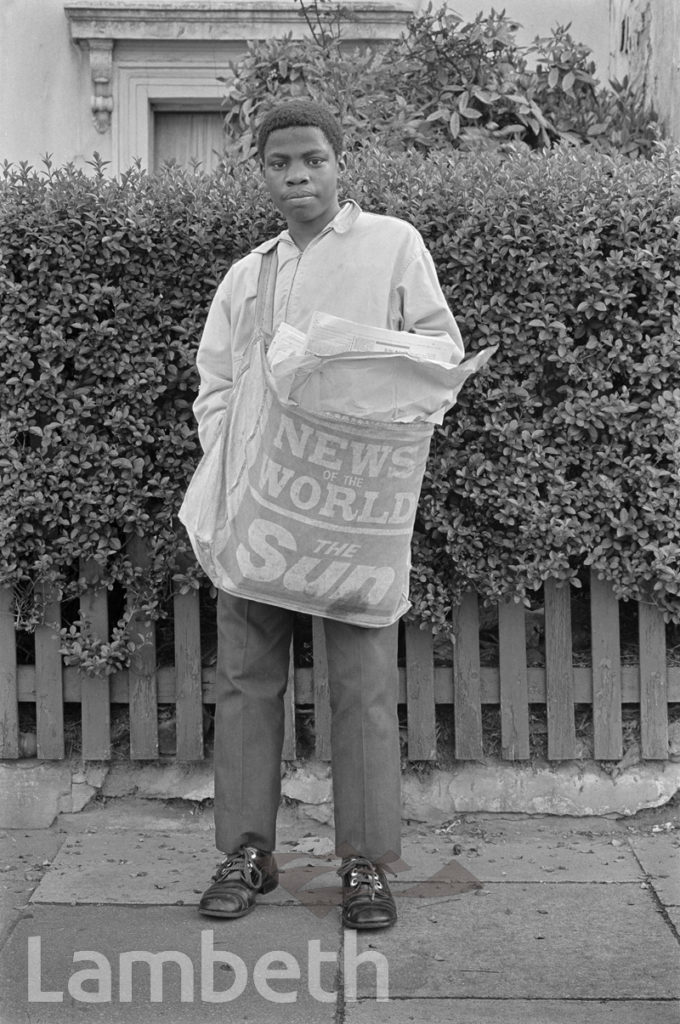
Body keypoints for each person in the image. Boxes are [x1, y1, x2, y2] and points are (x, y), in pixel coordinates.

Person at [192, 100, 464, 930]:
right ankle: (246, 853)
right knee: (245, 679)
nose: (298, 175)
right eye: (280, 163)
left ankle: (366, 866)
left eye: (312, 158)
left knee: (362, 687)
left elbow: (438, 352)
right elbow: (217, 385)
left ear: (341, 163)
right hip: (261, 510)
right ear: (263, 173)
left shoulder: (393, 246)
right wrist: (238, 461)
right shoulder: (248, 274)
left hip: (353, 511)